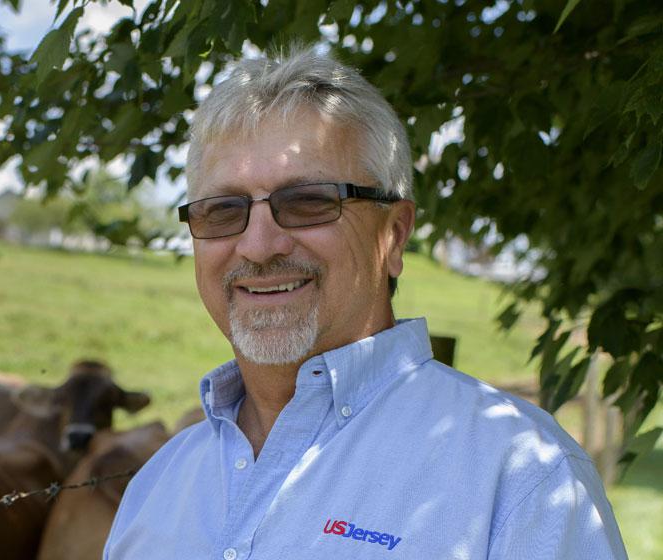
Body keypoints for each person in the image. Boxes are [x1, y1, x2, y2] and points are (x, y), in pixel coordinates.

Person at [104, 46, 627, 559]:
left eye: (309, 201)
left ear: (394, 236)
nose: (259, 246)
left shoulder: (521, 475)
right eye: (221, 210)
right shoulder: (158, 485)